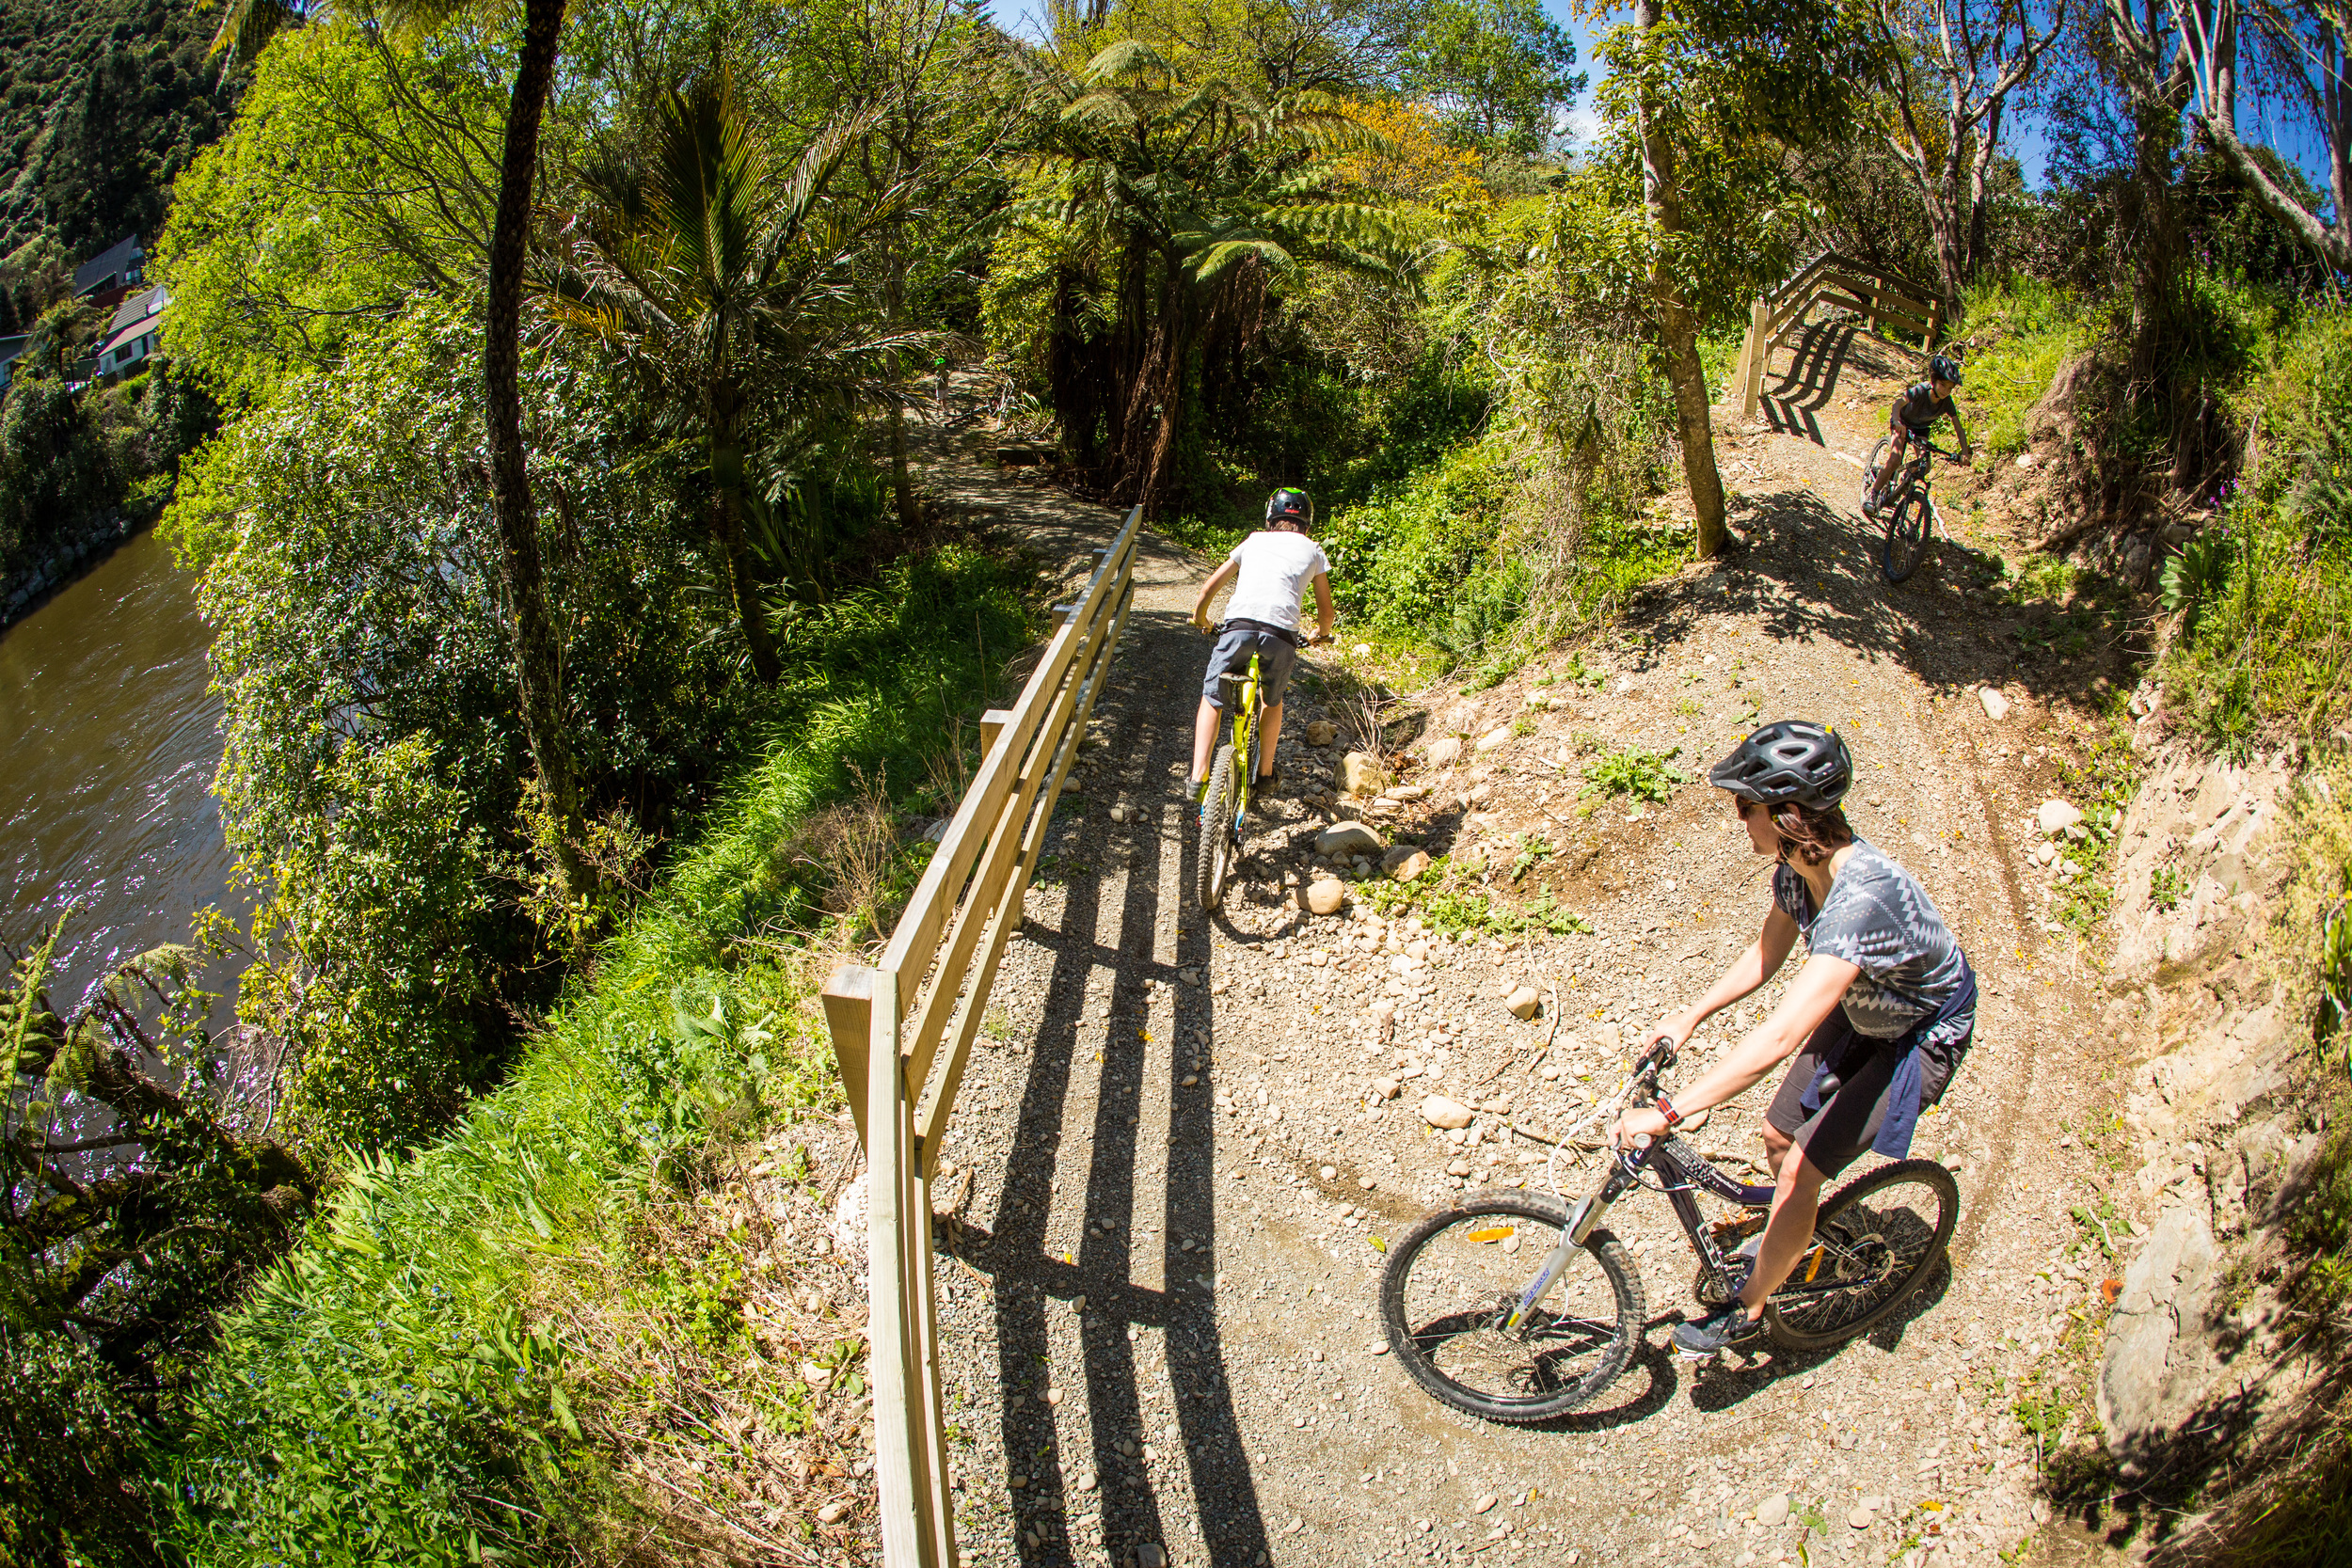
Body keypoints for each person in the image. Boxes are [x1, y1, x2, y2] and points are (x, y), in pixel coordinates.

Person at [1606, 720, 1978, 1356]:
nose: (1737, 817)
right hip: (1867, 1008)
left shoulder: (1861, 900)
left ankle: (1750, 1311)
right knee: (1780, 1133)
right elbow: (1766, 952)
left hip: (1918, 1033)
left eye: (1744, 805)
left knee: (1801, 1167)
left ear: (1784, 813)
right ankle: (1799, 1223)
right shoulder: (1796, 866)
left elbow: (1782, 1035)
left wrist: (1671, 1110)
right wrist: (1690, 1015)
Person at [1188, 487, 1335, 800]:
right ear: (1307, 522)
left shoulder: (1254, 540)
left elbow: (1208, 589)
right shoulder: (1313, 550)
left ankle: (1198, 776)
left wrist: (1202, 618)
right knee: (1272, 699)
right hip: (1281, 636)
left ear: (1270, 517)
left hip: (1237, 628)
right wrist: (1320, 633)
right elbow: (1326, 612)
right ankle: (1265, 773)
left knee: (1212, 696)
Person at [1866, 353, 1972, 516]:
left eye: (1950, 388)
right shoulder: (1921, 390)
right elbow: (1898, 404)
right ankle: (1873, 494)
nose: (1946, 391)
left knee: (1924, 464)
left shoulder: (1947, 402)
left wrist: (1964, 452)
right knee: (1895, 459)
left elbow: (1958, 427)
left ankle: (1903, 484)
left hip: (1920, 430)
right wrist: (1896, 422)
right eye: (1943, 385)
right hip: (1902, 423)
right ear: (1933, 381)